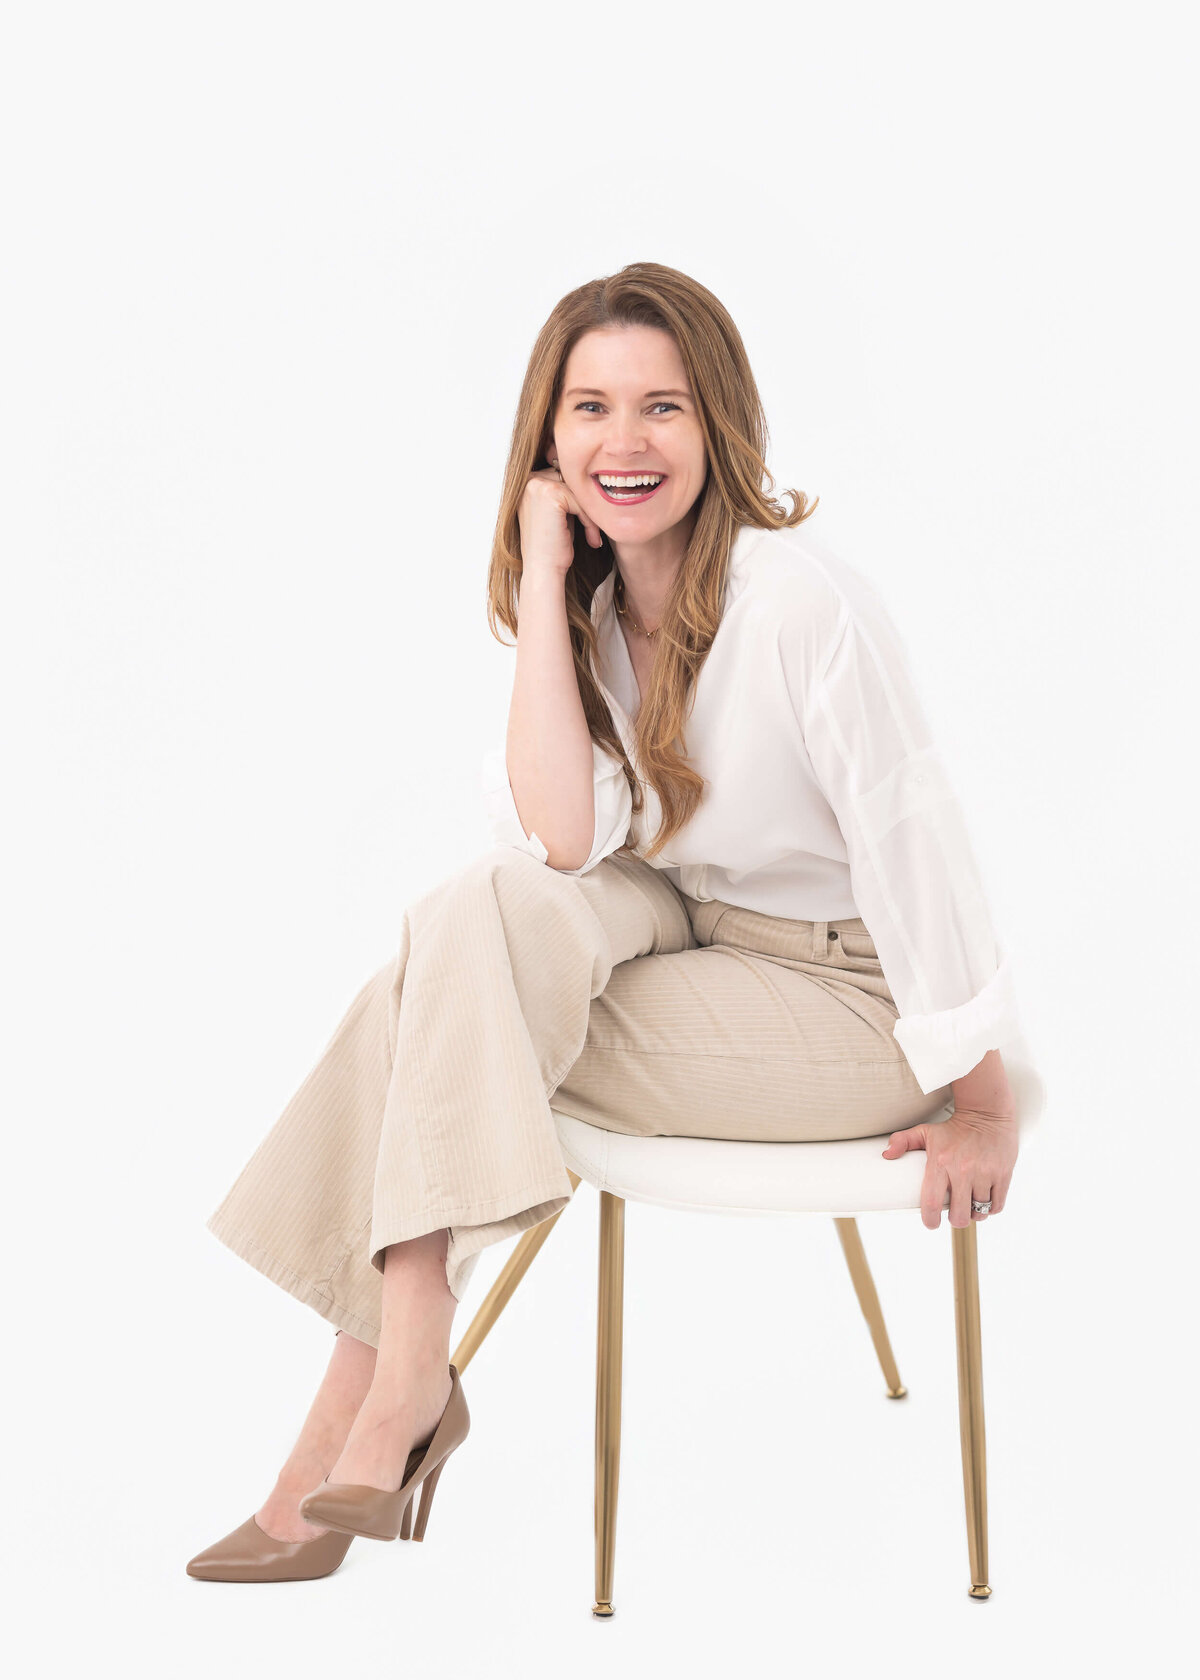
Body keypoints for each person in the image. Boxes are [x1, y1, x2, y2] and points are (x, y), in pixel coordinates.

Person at [186, 261, 1024, 1584]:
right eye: (589, 408)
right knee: (475, 913)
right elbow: (565, 842)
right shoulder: (588, 605)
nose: (622, 442)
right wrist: (540, 578)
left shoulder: (797, 603)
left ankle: (365, 1418)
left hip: (850, 997)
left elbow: (914, 837)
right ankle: (402, 1377)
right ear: (547, 435)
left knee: (447, 1002)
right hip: (693, 927)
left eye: (661, 407)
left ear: (718, 423)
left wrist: (985, 1098)